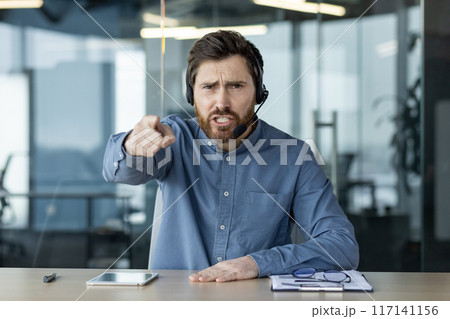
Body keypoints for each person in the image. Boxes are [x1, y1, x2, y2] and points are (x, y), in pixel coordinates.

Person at [102, 30, 358, 283]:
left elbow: (341, 247)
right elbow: (119, 171)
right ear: (192, 95)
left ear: (258, 93)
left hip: (254, 305)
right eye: (209, 87)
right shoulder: (174, 139)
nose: (221, 101)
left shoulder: (294, 157)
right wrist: (132, 147)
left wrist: (256, 263)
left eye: (235, 86)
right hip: (176, 302)